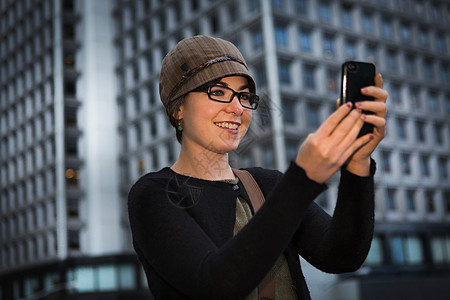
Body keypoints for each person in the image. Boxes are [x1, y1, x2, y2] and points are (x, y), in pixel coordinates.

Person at [128, 35, 388, 300]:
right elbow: (215, 284)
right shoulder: (156, 195)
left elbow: (342, 256)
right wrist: (303, 178)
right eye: (218, 92)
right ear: (178, 108)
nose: (237, 108)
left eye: (244, 95)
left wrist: (357, 162)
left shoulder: (268, 184)